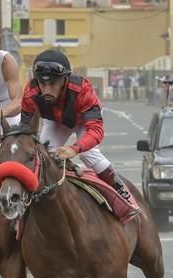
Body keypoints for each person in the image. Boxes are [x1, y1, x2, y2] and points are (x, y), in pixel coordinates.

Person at [20, 49, 132, 200]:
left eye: (53, 83)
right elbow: (25, 131)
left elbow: (96, 131)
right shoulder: (30, 92)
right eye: (42, 83)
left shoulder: (83, 90)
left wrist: (74, 149)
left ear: (65, 79)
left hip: (83, 120)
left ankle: (120, 190)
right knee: (43, 153)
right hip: (56, 120)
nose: (46, 90)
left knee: (88, 154)